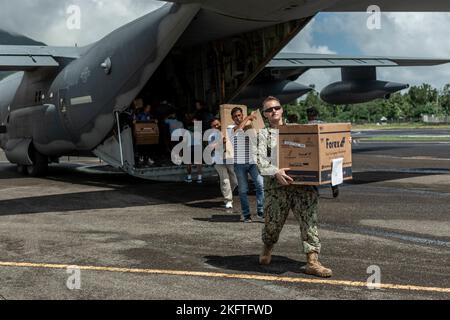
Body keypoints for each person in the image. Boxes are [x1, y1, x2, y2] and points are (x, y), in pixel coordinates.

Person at [257, 96, 332, 278]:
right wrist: (275, 171)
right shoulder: (261, 135)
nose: (274, 111)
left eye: (276, 107)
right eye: (269, 110)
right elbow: (259, 160)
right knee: (272, 225)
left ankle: (312, 262)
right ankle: (268, 246)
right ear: (265, 114)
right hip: (277, 188)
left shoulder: (298, 130)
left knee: (309, 222)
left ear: (282, 110)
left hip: (303, 186)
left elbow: (315, 150)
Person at [230, 107, 265, 223]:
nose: (238, 118)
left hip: (252, 162)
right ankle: (246, 215)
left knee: (260, 185)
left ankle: (261, 211)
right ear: (232, 118)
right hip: (239, 164)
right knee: (243, 190)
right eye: (235, 116)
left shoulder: (250, 126)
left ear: (242, 115)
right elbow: (238, 130)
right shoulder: (231, 128)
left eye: (240, 115)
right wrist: (248, 118)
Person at [307, 106, 339, 198]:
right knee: (328, 170)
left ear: (308, 115)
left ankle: (315, 191)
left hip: (312, 153)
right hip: (326, 151)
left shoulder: (306, 125)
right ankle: (334, 186)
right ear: (317, 115)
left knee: (311, 173)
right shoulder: (325, 124)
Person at [209, 118, 238, 209]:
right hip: (218, 161)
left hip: (229, 158)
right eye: (214, 125)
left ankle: (227, 191)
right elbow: (211, 147)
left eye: (218, 124)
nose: (216, 126)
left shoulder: (228, 131)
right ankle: (228, 200)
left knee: (235, 181)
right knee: (225, 180)